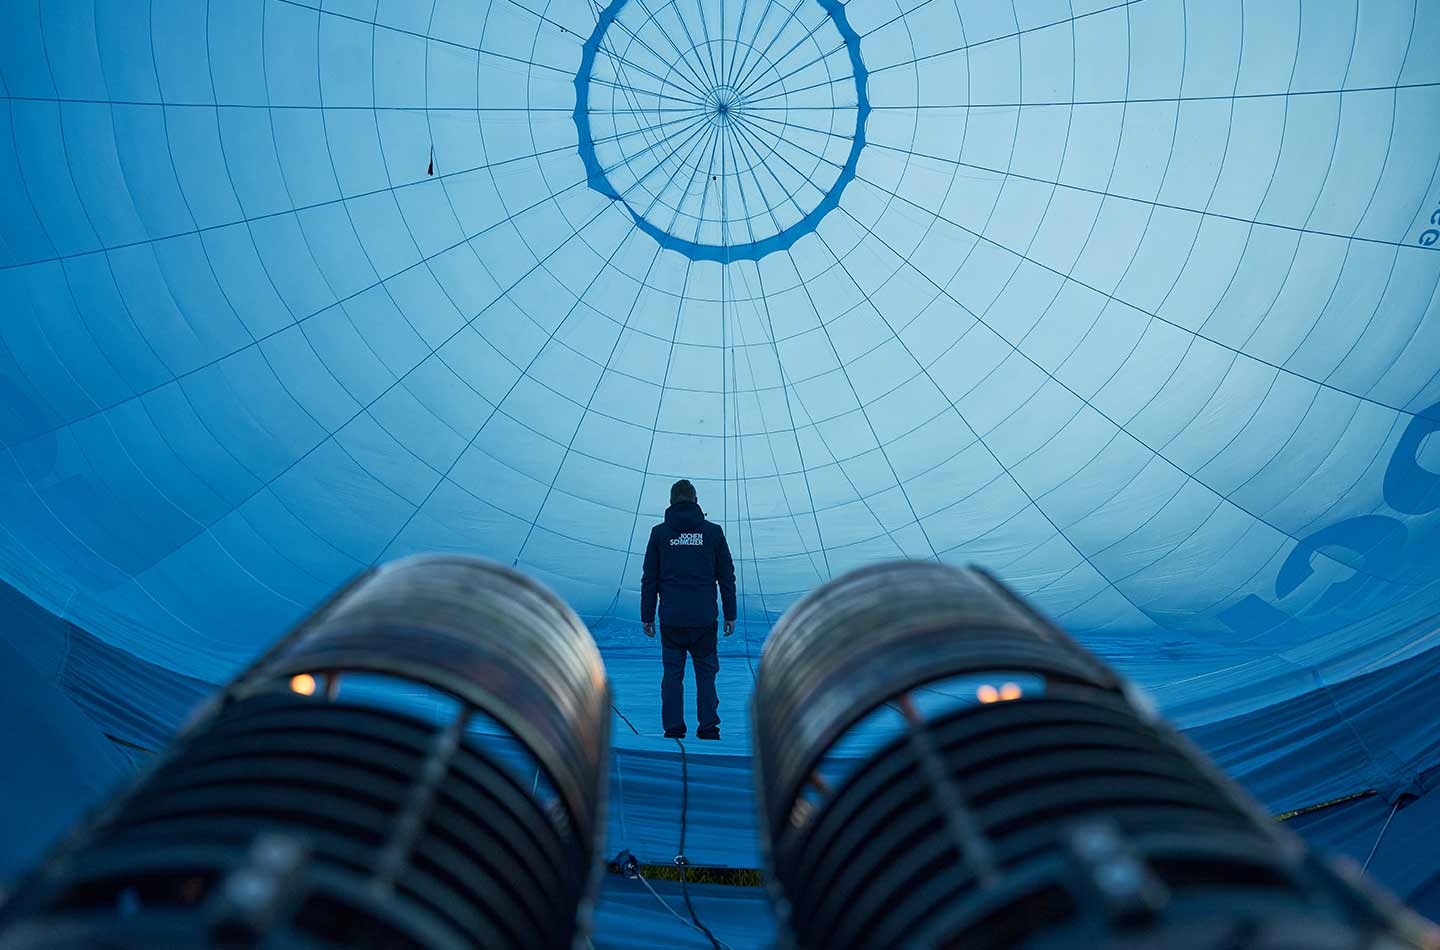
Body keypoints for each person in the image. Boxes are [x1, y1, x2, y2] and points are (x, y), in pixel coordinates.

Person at [640, 479, 737, 740]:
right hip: (704, 619)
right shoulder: (714, 533)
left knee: (672, 676)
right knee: (706, 675)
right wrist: (731, 613)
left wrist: (646, 616)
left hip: (671, 619)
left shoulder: (659, 534)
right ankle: (708, 729)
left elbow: (649, 578)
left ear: (671, 502)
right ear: (695, 501)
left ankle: (673, 729)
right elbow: (727, 576)